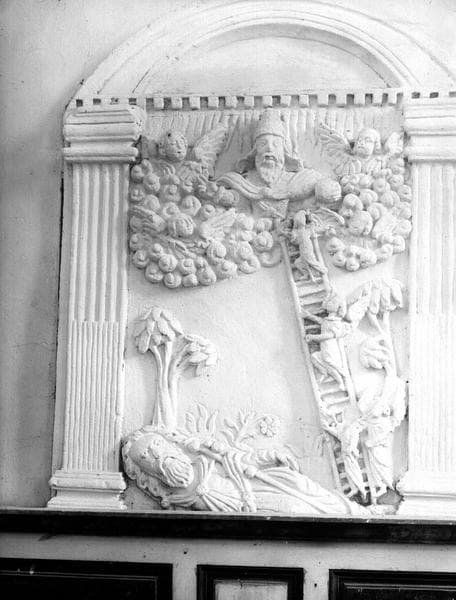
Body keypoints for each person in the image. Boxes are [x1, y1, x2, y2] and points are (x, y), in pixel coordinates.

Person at [123, 426, 384, 516]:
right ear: (146, 473)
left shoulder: (201, 456)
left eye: (157, 446)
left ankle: (358, 511)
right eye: (146, 458)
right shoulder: (174, 498)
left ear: (170, 443)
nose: (157, 456)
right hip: (253, 507)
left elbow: (238, 458)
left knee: (301, 484)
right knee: (297, 508)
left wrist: (270, 456)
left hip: (253, 484)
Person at [218, 109, 327, 219]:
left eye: (276, 144)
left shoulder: (297, 180)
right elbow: (241, 204)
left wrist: (327, 188)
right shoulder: (246, 181)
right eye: (263, 144)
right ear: (255, 152)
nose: (269, 148)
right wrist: (228, 197)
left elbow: (316, 188)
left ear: (284, 151)